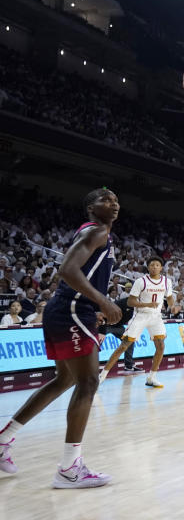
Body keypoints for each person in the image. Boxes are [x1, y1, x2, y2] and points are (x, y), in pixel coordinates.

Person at [0, 188, 122, 487]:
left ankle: (3, 440)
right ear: (90, 208)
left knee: (65, 380)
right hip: (72, 309)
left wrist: (96, 304)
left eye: (116, 200)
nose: (114, 204)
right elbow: (67, 270)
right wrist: (103, 302)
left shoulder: (95, 233)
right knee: (88, 382)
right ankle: (69, 469)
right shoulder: (97, 232)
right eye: (105, 200)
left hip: (69, 309)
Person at [98, 257, 177, 388]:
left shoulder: (167, 282)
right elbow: (130, 302)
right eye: (152, 265)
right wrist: (147, 304)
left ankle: (152, 377)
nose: (155, 267)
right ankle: (102, 376)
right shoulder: (141, 281)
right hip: (140, 315)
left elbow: (169, 297)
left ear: (161, 267)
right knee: (124, 346)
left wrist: (173, 306)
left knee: (161, 346)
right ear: (148, 267)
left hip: (156, 317)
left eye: (157, 265)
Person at [97, 292, 139, 374]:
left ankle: (129, 366)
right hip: (106, 325)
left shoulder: (138, 306)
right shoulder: (120, 303)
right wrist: (102, 331)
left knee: (130, 340)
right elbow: (104, 314)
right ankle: (92, 367)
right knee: (97, 343)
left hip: (118, 326)